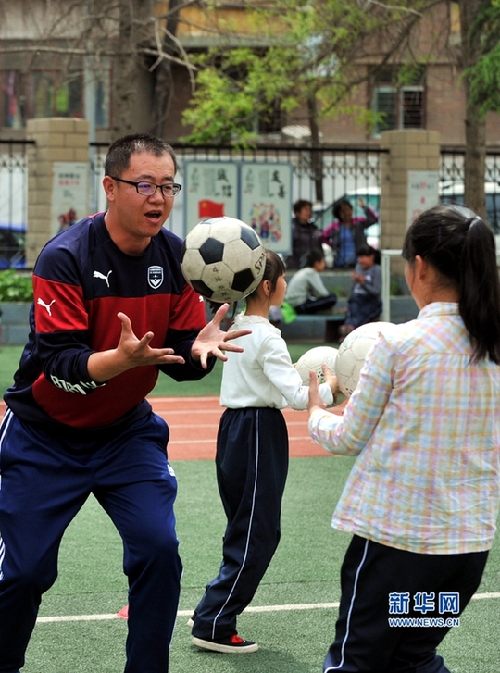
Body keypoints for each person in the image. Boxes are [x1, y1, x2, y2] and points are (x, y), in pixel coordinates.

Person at [0, 133, 250, 673]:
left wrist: (199, 350)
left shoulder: (177, 258)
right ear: (111, 188)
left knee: (159, 551)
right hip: (43, 436)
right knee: (21, 575)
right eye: (144, 185)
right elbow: (61, 365)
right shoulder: (65, 256)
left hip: (125, 435)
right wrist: (122, 359)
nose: (157, 197)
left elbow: (180, 353)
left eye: (167, 186)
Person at [307, 204, 500, 673]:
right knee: (414, 657)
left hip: (397, 546)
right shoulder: (493, 344)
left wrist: (316, 412)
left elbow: (349, 436)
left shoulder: (399, 343)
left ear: (419, 266)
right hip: (465, 551)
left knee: (357, 661)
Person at [191, 249, 337, 654]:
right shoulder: (266, 336)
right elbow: (295, 397)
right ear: (269, 287)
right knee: (259, 534)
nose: (287, 285)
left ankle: (212, 606)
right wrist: (334, 388)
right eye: (283, 278)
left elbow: (280, 386)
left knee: (244, 526)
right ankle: (214, 622)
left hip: (234, 431)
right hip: (257, 432)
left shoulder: (238, 326)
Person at [321, 196, 378, 268]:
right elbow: (323, 237)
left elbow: (374, 219)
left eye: (348, 209)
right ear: (338, 213)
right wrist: (332, 245)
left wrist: (365, 207)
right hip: (340, 262)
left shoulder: (358, 223)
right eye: (343, 211)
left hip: (358, 262)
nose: (347, 213)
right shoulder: (335, 227)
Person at [339, 244, 382, 340]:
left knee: (362, 311)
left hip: (370, 300)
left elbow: (376, 291)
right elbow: (353, 288)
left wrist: (363, 284)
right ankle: (348, 327)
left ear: (371, 257)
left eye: (363, 257)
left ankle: (350, 328)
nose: (360, 260)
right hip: (356, 299)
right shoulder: (358, 268)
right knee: (353, 307)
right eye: (359, 257)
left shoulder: (377, 270)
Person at [284, 248, 337, 315]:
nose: (324, 264)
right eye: (323, 262)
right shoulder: (312, 273)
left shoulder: (305, 271)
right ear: (317, 263)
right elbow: (322, 293)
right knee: (332, 298)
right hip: (299, 306)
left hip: (294, 303)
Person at [285, 198, 323, 269]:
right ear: (297, 212)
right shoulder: (292, 229)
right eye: (306, 210)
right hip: (296, 266)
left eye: (309, 210)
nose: (309, 212)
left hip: (312, 266)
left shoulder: (314, 228)